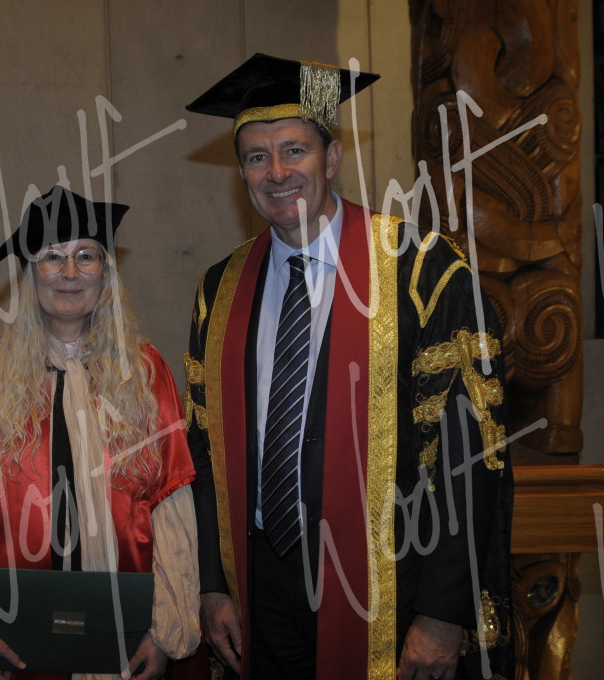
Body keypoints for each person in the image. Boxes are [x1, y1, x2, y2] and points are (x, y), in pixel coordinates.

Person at [182, 54, 513, 679]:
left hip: (392, 582)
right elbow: (201, 449)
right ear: (242, 173)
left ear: (331, 158)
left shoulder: (423, 272)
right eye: (257, 157)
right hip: (258, 581)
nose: (277, 173)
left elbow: (470, 452)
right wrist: (212, 583)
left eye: (295, 150)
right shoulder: (219, 290)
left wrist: (442, 614)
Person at [0, 186, 200, 680]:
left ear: (106, 273)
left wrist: (164, 630)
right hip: (14, 637)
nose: (70, 272)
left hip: (126, 637)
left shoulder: (144, 374)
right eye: (53, 256)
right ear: (30, 273)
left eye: (86, 256)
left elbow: (171, 507)